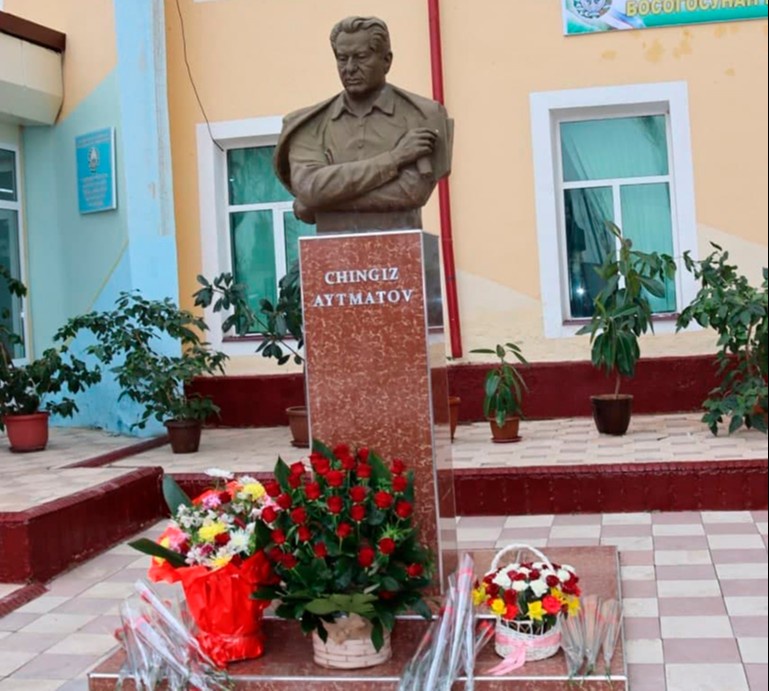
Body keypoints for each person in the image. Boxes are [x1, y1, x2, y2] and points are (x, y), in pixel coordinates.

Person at [274, 16, 453, 232]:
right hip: (330, 246)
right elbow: (310, 187)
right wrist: (395, 158)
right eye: (342, 58)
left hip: (400, 241)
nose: (350, 68)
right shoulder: (308, 124)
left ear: (386, 61)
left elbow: (411, 193)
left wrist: (321, 202)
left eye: (361, 57)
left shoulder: (423, 116)